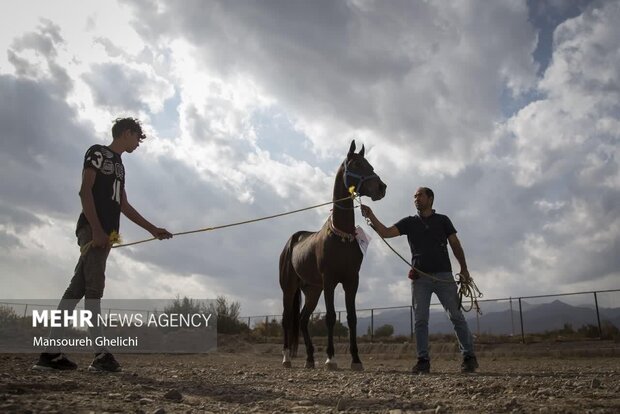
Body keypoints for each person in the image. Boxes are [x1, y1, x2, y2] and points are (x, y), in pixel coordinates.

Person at [32, 117, 173, 372]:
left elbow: (123, 205)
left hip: (106, 235)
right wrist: (96, 230)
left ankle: (50, 353)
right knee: (94, 290)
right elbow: (85, 191)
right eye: (137, 137)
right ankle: (100, 354)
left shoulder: (120, 166)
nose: (138, 143)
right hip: (92, 231)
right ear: (126, 132)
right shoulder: (97, 152)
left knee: (76, 290)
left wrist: (153, 230)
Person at [361, 187, 478, 373]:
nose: (416, 198)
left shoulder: (443, 220)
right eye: (414, 196)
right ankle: (423, 360)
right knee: (420, 320)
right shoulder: (409, 222)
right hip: (419, 278)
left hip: (444, 276)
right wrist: (371, 215)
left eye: (420, 195)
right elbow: (386, 232)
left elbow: (455, 244)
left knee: (456, 316)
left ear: (430, 199)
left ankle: (469, 357)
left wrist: (464, 269)